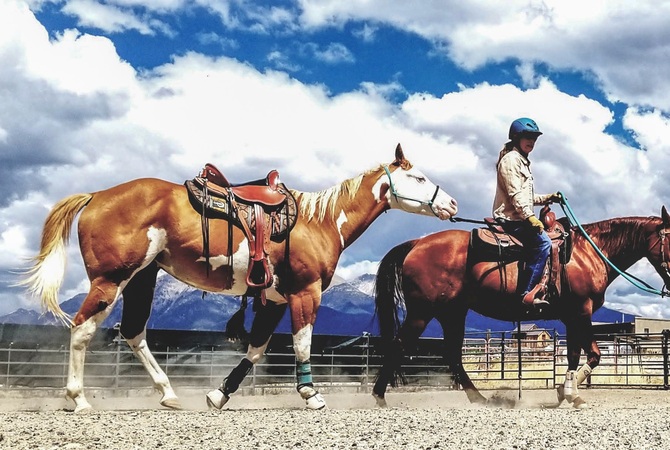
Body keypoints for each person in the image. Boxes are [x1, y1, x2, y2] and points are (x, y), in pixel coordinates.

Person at [492, 117, 561, 307]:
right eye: (527, 137)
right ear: (516, 137)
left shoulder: (522, 161)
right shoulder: (511, 160)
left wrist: (549, 197)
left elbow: (527, 197)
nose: (531, 141)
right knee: (543, 244)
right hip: (511, 220)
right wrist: (530, 217)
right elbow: (515, 195)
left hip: (520, 217)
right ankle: (525, 294)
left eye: (534, 138)